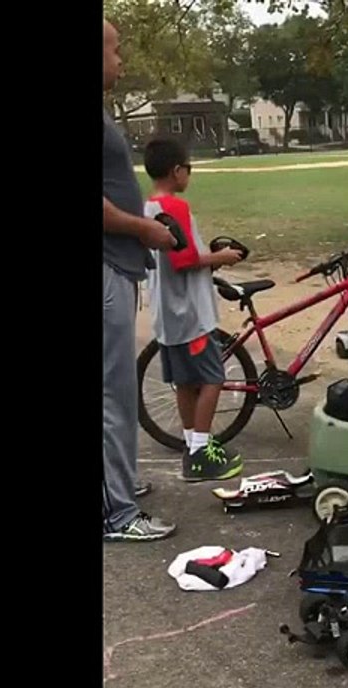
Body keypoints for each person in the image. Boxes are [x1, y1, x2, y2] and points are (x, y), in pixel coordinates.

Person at [102, 18, 177, 541]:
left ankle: (116, 483)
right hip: (108, 263)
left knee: (115, 390)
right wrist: (143, 228)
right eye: (115, 50)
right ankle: (118, 513)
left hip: (117, 263)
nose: (121, 61)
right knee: (114, 393)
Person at [142, 137, 245, 481]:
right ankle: (200, 453)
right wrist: (220, 257)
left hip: (167, 314)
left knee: (185, 382)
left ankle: (192, 444)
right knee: (213, 378)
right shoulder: (175, 207)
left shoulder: (147, 208)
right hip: (189, 314)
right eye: (188, 169)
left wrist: (209, 258)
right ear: (177, 171)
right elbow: (184, 261)